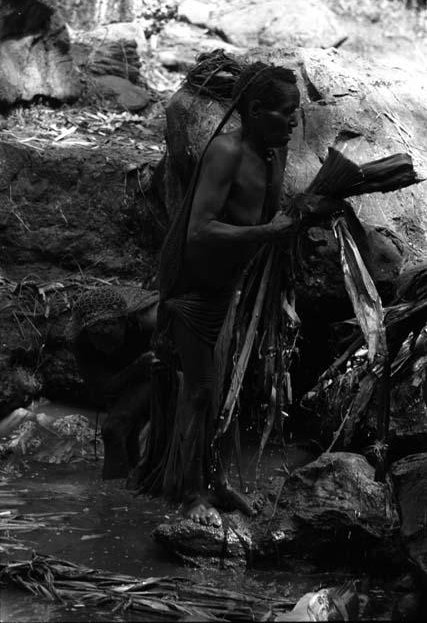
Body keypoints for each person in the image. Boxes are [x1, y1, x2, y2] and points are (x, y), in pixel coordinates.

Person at [138, 62, 343, 527]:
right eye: (286, 112)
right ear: (254, 110)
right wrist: (266, 233)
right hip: (191, 293)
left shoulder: (272, 155)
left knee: (219, 389)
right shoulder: (225, 152)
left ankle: (214, 481)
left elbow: (270, 217)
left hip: (226, 293)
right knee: (201, 391)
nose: (294, 122)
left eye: (297, 112)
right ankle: (192, 494)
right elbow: (199, 231)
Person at [69, 286, 159, 479]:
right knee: (125, 432)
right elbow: (100, 390)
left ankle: (114, 500)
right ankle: (129, 483)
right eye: (98, 338)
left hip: (156, 371)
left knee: (113, 428)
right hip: (128, 372)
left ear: (125, 323)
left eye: (110, 338)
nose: (104, 347)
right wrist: (133, 369)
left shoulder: (149, 322)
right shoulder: (81, 342)